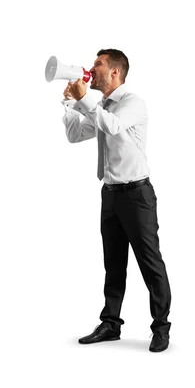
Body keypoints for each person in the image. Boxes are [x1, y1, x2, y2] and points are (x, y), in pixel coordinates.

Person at [61, 49, 172, 353]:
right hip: (110, 194)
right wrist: (71, 101)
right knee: (114, 264)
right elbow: (74, 134)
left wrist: (85, 100)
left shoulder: (132, 103)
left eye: (98, 64)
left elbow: (111, 125)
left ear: (114, 73)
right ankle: (111, 323)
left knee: (150, 263)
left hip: (137, 195)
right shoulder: (102, 107)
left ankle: (161, 328)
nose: (91, 68)